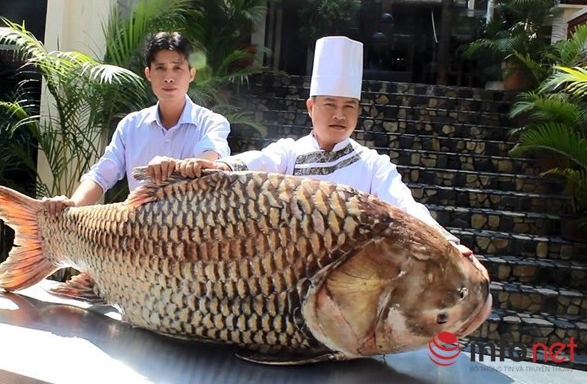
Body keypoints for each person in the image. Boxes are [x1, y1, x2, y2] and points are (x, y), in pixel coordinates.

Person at [176, 36, 488, 278]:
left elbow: (406, 206)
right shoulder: (289, 152)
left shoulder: (373, 165)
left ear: (358, 111)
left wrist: (448, 243)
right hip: (282, 274)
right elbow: (258, 161)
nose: (339, 115)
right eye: (329, 104)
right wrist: (215, 166)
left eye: (348, 106)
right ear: (311, 107)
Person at [43, 31, 230, 214]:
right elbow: (101, 175)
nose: (169, 77)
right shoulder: (130, 126)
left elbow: (211, 155)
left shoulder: (212, 122)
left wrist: (183, 165)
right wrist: (72, 205)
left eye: (177, 68)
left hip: (189, 238)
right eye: (161, 68)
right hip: (137, 239)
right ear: (148, 73)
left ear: (191, 73)